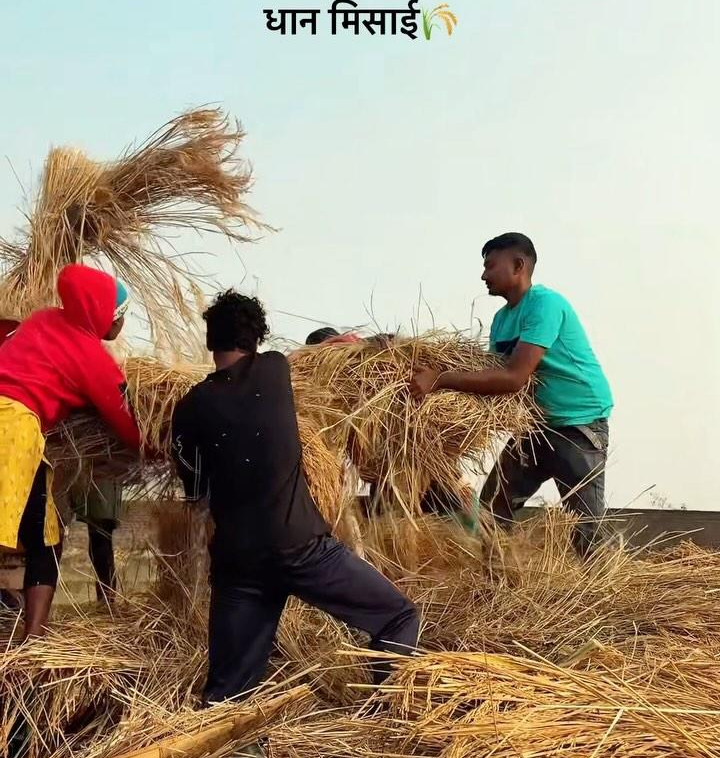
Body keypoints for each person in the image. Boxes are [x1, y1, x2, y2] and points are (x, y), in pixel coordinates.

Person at [171, 290, 418, 704]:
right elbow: (335, 352)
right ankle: (385, 718)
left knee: (226, 694)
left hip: (239, 564)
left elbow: (196, 494)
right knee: (398, 616)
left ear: (210, 342)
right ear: (258, 339)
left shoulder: (188, 408)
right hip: (303, 549)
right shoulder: (275, 368)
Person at [410, 232, 613, 556]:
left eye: (490, 265)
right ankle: (499, 585)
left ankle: (606, 597)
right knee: (492, 510)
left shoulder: (545, 305)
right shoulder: (502, 321)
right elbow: (490, 379)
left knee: (584, 529)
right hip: (533, 429)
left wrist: (440, 380)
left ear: (518, 265)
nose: (483, 275)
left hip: (577, 424)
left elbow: (513, 378)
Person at [0, 264, 141, 638]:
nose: (121, 327)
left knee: (35, 531)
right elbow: (123, 417)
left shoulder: (42, 319)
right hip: (12, 431)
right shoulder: (90, 354)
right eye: (121, 317)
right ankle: (33, 643)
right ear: (108, 316)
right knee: (45, 539)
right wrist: (152, 449)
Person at [70, 478, 122, 604]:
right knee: (97, 538)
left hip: (103, 476)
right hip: (89, 478)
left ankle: (106, 600)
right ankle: (105, 599)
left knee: (101, 535)